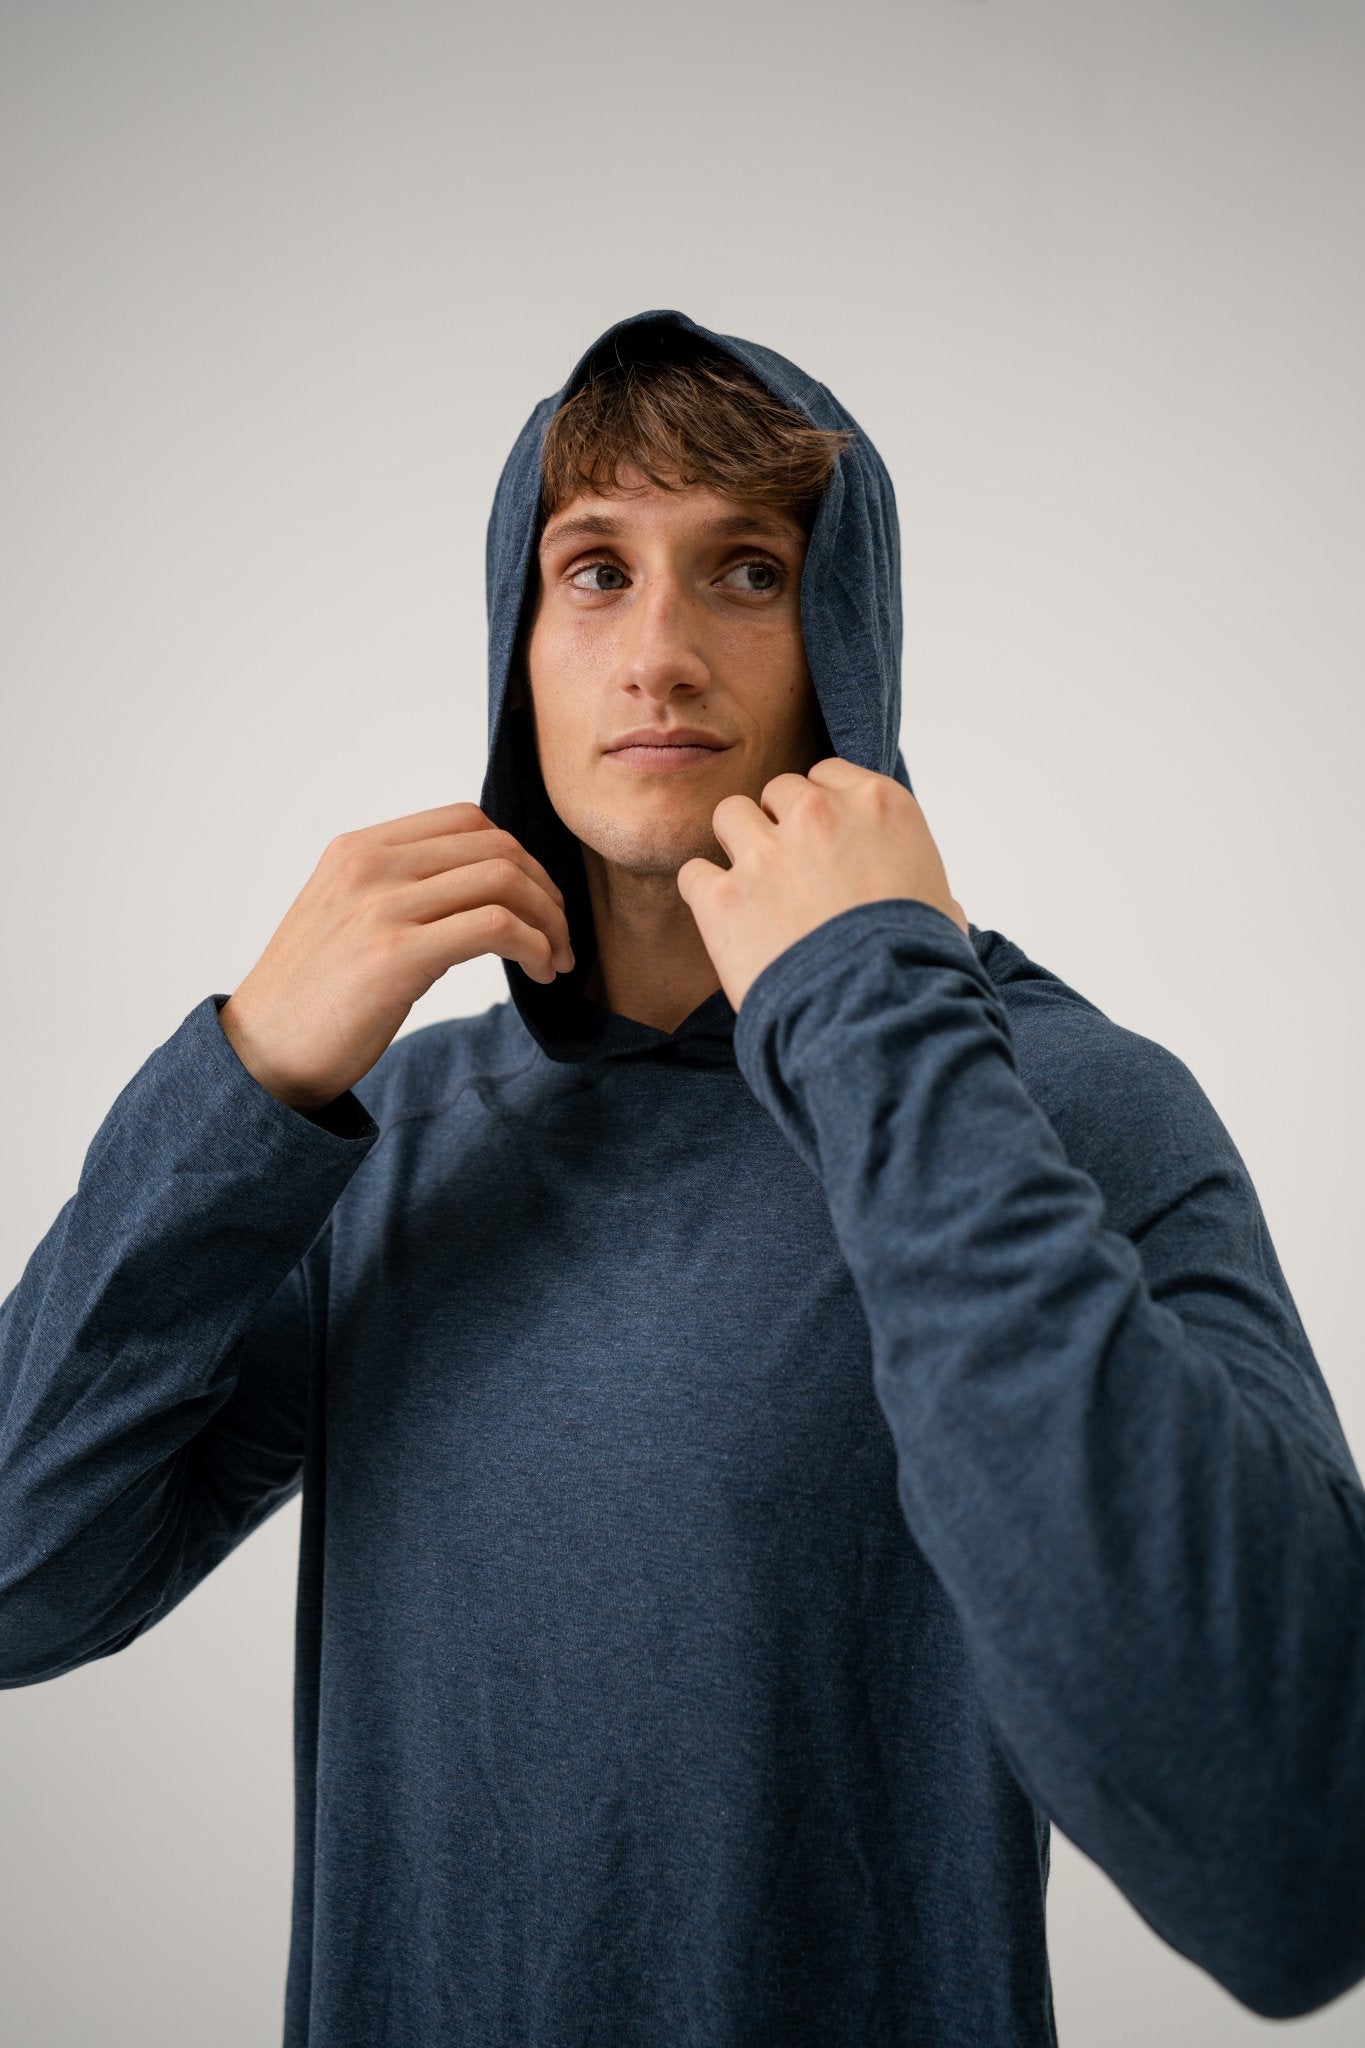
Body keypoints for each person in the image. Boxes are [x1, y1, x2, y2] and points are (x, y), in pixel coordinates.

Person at [1, 307, 1361, 2046]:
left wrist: (875, 1005)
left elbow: (1291, 1853)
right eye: (592, 572)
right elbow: (17, 1579)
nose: (657, 654)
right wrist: (243, 1086)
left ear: (841, 642)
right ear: (517, 643)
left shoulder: (1070, 1106)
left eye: (742, 570)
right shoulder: (388, 1138)